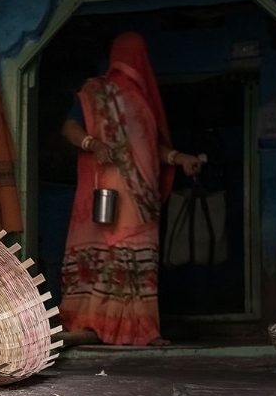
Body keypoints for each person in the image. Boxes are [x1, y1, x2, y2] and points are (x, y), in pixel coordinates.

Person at [58, 32, 201, 346]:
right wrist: (92, 144)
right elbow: (69, 128)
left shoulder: (145, 102)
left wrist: (180, 158)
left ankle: (144, 330)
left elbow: (152, 149)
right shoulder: (95, 92)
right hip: (105, 194)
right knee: (104, 257)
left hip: (140, 200)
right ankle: (91, 324)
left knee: (137, 262)